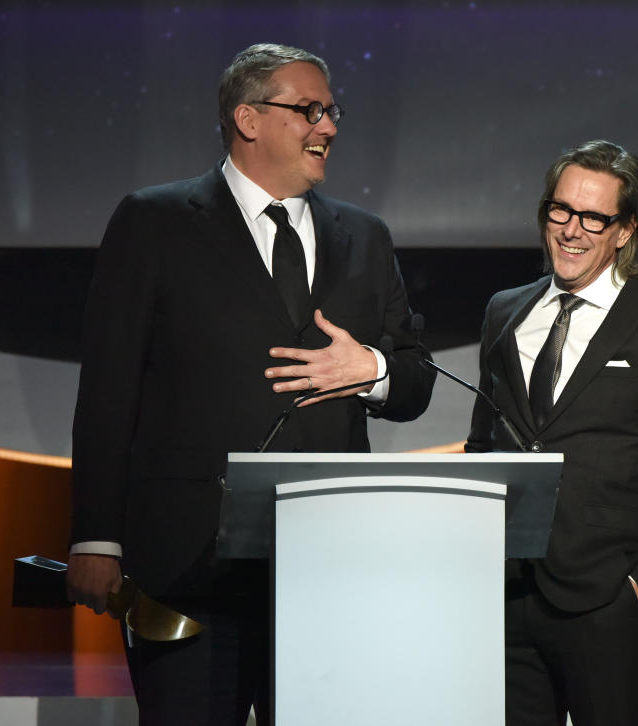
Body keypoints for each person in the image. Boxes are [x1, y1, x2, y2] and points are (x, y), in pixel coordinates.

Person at [66, 43, 435, 725]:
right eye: (309, 111)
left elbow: (415, 385)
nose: (328, 127)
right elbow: (109, 389)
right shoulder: (155, 222)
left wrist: (374, 371)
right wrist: (96, 537)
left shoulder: (365, 236)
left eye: (331, 111)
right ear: (249, 118)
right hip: (185, 562)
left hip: (326, 563)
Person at [465, 139, 638, 725]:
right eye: (561, 210)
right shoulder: (505, 310)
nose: (573, 230)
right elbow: (483, 448)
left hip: (606, 609)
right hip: (507, 601)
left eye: (595, 217)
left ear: (625, 230)